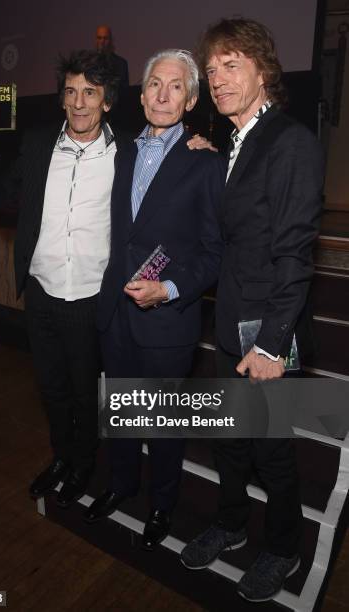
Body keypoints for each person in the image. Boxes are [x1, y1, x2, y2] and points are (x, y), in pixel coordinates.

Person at [180, 19, 324, 602]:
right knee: (231, 439)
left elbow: (294, 255)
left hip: (269, 327)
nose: (217, 79)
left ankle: (284, 547)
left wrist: (270, 344)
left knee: (271, 448)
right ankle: (233, 523)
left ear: (263, 71)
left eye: (230, 65)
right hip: (232, 318)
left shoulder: (290, 142)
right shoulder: (238, 143)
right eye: (211, 70)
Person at [0, 50, 121, 509]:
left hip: (90, 296)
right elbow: (8, 196)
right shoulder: (37, 143)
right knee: (51, 389)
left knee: (83, 391)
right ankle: (61, 458)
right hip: (42, 291)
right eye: (71, 92)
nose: (79, 103)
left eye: (90, 93)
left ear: (107, 100)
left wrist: (196, 146)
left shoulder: (125, 152)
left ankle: (84, 463)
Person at [85, 49, 224, 551]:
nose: (163, 95)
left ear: (190, 100)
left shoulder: (208, 163)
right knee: (120, 415)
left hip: (167, 319)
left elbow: (214, 253)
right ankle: (121, 486)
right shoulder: (117, 151)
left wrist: (167, 288)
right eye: (154, 86)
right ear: (141, 96)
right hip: (114, 313)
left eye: (175, 87)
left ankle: (163, 503)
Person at [96, 25, 129, 89]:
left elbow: (125, 91)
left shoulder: (121, 63)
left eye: (105, 38)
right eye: (99, 38)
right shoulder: (89, 63)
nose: (102, 41)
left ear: (110, 40)